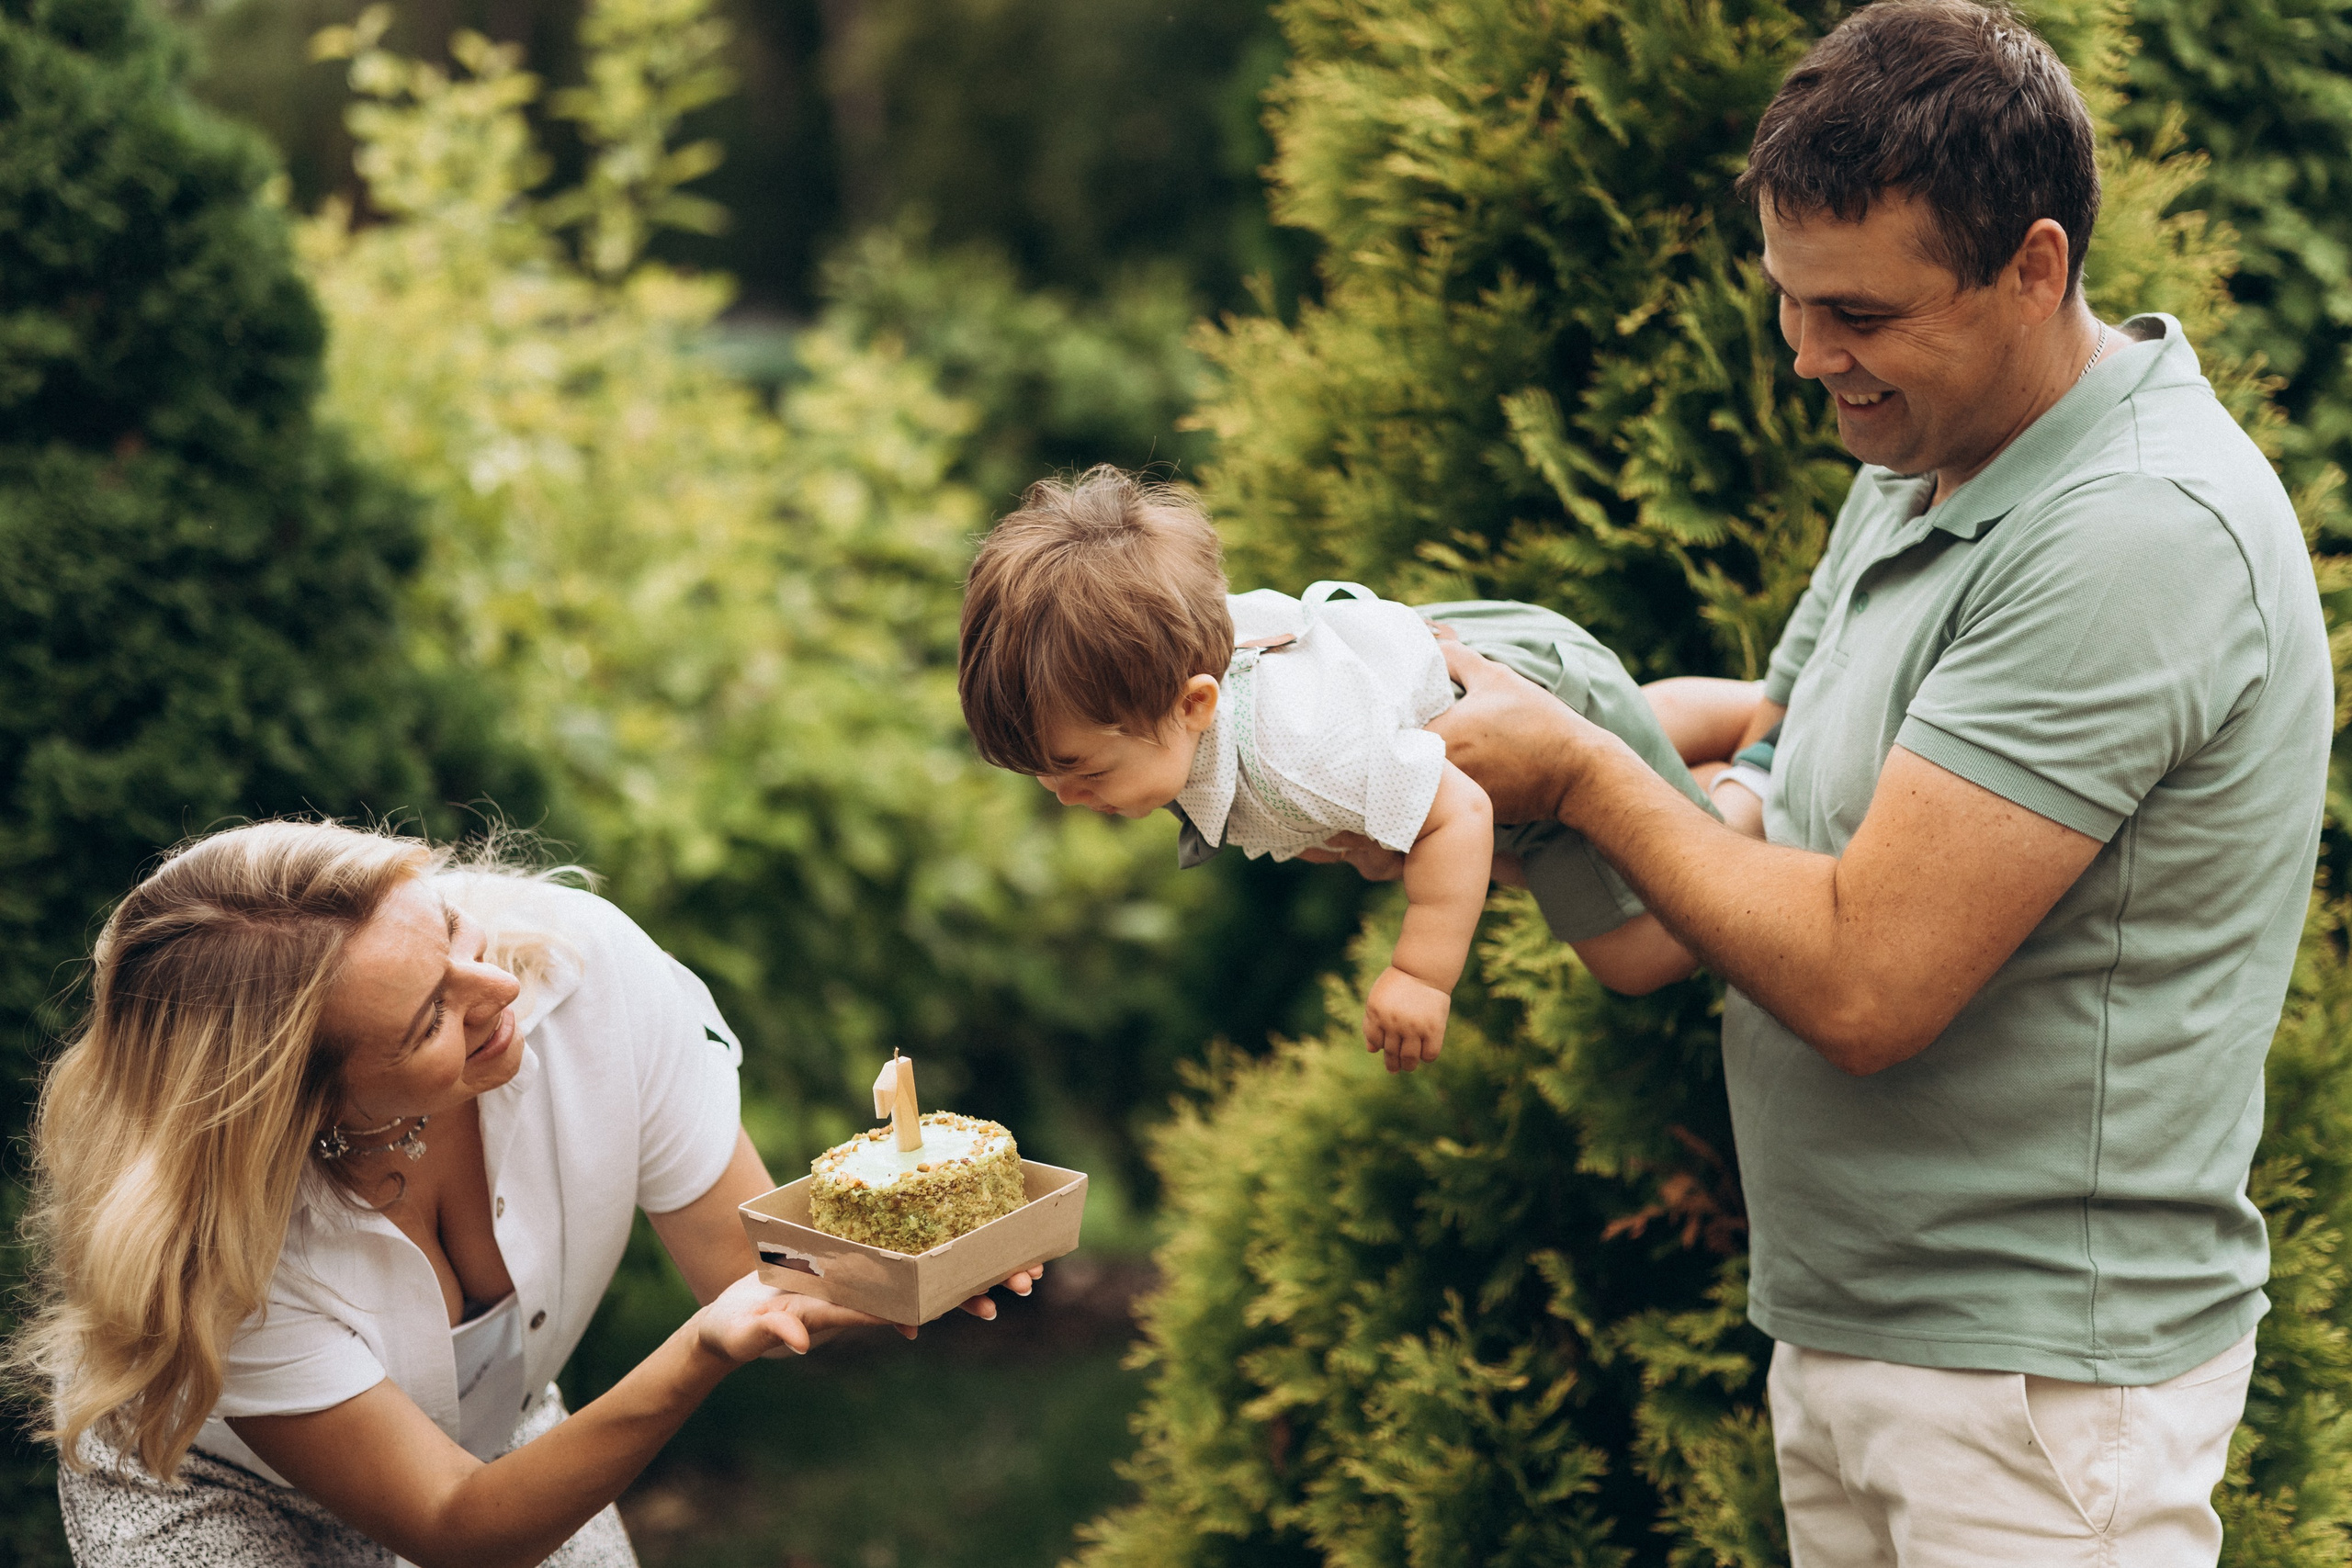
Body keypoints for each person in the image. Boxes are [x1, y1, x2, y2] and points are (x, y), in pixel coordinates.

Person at [1418, 3, 2332, 1562]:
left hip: (2038, 1391)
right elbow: (1734, 844)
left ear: (2035, 267)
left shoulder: (2133, 534)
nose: (1806, 356)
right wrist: (1458, 795)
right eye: (1786, 299)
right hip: (1861, 1331)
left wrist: (1578, 760)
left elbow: (1862, 979)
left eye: (1858, 312)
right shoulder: (1923, 465)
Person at [11, 819, 1040, 1567]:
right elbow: (455, 1527)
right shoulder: (222, 1249)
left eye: (453, 931)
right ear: (303, 1105)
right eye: (428, 1020)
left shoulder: (583, 975)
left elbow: (750, 1274)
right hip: (212, 1487)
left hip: (491, 1441)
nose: (500, 990)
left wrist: (936, 1251)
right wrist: (693, 1358)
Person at [955, 466, 1716, 1072]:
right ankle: (1738, 716)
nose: (1067, 798)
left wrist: (1419, 975)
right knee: (1628, 727)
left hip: (1531, 709)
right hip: (1507, 677)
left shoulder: (1302, 752)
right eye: (1046, 779)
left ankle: (1744, 781)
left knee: (1638, 954)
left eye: (1082, 771)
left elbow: (1461, 813)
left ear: (1194, 703)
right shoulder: (1174, 669)